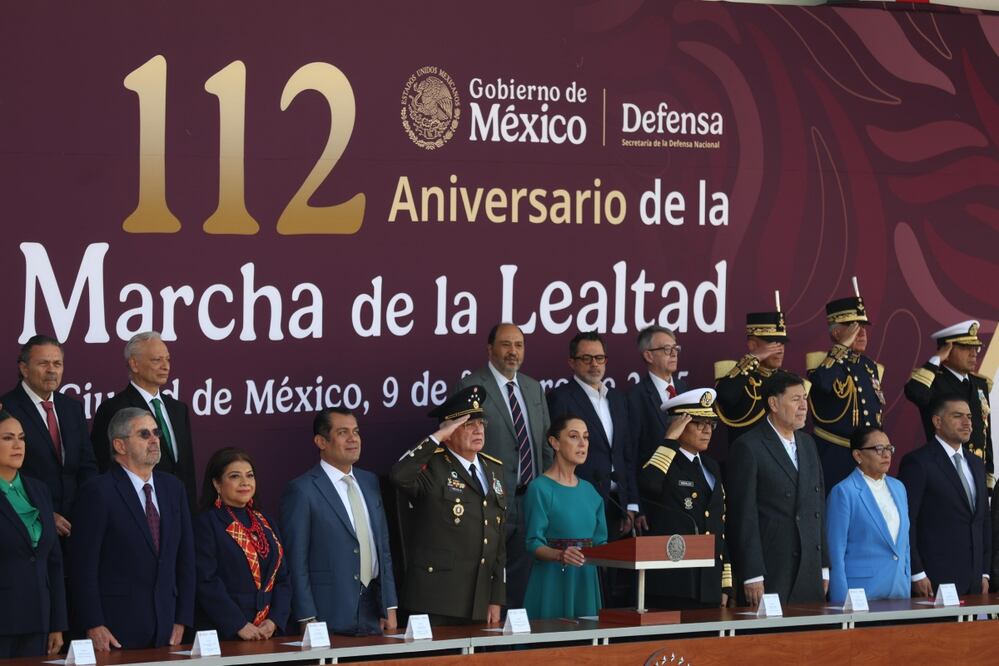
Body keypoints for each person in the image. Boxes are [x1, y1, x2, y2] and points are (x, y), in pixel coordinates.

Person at [70, 407, 195, 650]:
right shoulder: (98, 492)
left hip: (167, 627)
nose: (154, 440)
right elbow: (82, 566)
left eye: (156, 433)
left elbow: (186, 558)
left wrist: (182, 618)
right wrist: (93, 623)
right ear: (120, 445)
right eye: (144, 434)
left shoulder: (173, 488)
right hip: (115, 630)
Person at [453, 323, 551, 609]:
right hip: (489, 502)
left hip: (529, 498)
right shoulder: (472, 385)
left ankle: (516, 644)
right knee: (486, 580)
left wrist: (545, 492)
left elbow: (544, 445)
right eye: (506, 345)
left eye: (519, 345)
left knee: (522, 579)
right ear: (490, 349)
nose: (513, 352)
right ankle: (487, 646)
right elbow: (460, 445)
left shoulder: (533, 388)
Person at [390, 386, 506, 624]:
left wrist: (496, 597)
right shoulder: (432, 465)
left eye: (481, 423)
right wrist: (436, 438)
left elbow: (498, 538)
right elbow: (399, 476)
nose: (478, 430)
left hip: (479, 598)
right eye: (467, 424)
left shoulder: (494, 469)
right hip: (436, 598)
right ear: (449, 431)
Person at [280, 409, 398, 636]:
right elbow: (296, 560)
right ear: (321, 441)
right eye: (343, 432)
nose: (353, 439)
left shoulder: (370, 481)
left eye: (356, 432)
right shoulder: (302, 490)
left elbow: (382, 549)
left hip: (373, 609)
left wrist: (389, 605)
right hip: (328, 613)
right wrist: (307, 617)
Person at [727, 371, 829, 606]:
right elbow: (744, 516)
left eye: (805, 398)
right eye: (795, 399)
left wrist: (823, 566)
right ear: (773, 403)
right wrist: (752, 573)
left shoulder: (808, 443)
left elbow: (818, 507)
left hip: (809, 569)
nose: (804, 406)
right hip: (772, 570)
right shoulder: (748, 446)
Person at [638, 389, 731, 609]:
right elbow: (649, 484)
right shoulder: (664, 460)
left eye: (711, 424)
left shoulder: (711, 466)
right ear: (678, 425)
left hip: (708, 583)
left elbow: (719, 523)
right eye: (698, 423)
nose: (707, 430)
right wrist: (669, 439)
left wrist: (725, 582)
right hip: (674, 583)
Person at [1, 335, 97, 537]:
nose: (52, 370)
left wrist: (87, 509)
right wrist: (43, 513)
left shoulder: (72, 408)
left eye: (57, 363)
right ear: (24, 368)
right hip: (27, 525)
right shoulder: (6, 409)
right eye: (43, 363)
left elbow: (87, 465)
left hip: (75, 525)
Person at [548, 331, 641, 538]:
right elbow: (554, 454)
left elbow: (626, 454)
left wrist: (631, 502)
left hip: (618, 505)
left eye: (599, 358)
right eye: (586, 358)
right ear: (572, 362)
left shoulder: (617, 399)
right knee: (586, 566)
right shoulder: (560, 399)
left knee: (615, 569)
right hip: (577, 502)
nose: (594, 364)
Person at [91, 331, 197, 508]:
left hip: (178, 511)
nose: (166, 366)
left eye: (168, 359)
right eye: (157, 360)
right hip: (136, 509)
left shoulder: (178, 409)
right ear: (134, 364)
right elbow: (104, 465)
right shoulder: (114, 409)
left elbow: (187, 469)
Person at [194, 448, 290, 640]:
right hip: (226, 634)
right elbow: (206, 581)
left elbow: (283, 578)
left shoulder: (266, 523)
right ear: (217, 484)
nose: (245, 482)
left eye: (250, 475)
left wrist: (274, 620)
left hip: (267, 633)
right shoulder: (207, 523)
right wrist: (237, 624)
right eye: (235, 476)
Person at [900, 395, 990, 597]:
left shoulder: (976, 464)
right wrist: (916, 572)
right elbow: (908, 522)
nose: (967, 422)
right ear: (937, 421)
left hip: (975, 582)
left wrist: (984, 572)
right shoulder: (918, 462)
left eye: (969, 416)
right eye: (958, 416)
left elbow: (983, 521)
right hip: (933, 581)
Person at [523, 414, 607, 619]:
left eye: (586, 437)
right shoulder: (539, 488)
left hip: (585, 581)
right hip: (552, 581)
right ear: (554, 442)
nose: (582, 444)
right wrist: (560, 555)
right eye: (573, 436)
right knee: (551, 647)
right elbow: (533, 542)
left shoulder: (590, 491)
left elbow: (601, 543)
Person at [0, 410, 66, 658]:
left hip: (39, 622)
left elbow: (54, 562)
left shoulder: (39, 490)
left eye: (21, 437)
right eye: (7, 438)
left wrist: (57, 623)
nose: (18, 445)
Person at [807, 294, 886, 492]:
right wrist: (840, 348)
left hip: (868, 458)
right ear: (836, 333)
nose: (862, 334)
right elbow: (822, 383)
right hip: (835, 456)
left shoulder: (869, 366)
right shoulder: (823, 363)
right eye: (854, 328)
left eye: (864, 327)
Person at [904, 320, 993, 488]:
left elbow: (985, 432)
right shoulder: (933, 380)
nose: (974, 353)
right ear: (948, 350)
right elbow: (915, 392)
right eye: (966, 347)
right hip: (946, 468)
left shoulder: (980, 384)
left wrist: (988, 476)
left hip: (976, 468)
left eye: (976, 348)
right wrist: (936, 359)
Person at [826, 427, 910, 604]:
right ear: (858, 455)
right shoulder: (844, 492)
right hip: (861, 596)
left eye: (889, 449)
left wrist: (906, 577)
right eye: (879, 449)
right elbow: (835, 552)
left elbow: (904, 543)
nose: (886, 454)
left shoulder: (899, 488)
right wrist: (842, 602)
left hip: (899, 592)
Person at [715, 310, 788, 450]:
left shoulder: (786, 380)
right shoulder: (742, 378)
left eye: (782, 343)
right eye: (772, 343)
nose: (780, 350)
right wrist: (752, 358)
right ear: (753, 345)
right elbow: (725, 395)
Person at [627, 326, 689, 466]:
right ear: (649, 355)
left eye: (675, 348)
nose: (674, 354)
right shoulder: (635, 397)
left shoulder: (684, 389)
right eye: (667, 349)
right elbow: (633, 451)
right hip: (655, 478)